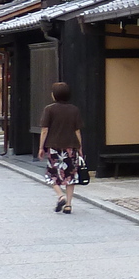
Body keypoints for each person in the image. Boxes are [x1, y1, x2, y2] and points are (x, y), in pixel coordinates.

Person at [39, 81, 84, 214]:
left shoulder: (49, 109)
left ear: (54, 95)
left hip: (54, 146)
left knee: (52, 174)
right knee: (70, 175)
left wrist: (41, 147)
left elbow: (44, 130)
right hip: (71, 146)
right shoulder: (74, 109)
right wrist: (80, 147)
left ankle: (60, 196)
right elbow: (77, 131)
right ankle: (69, 205)